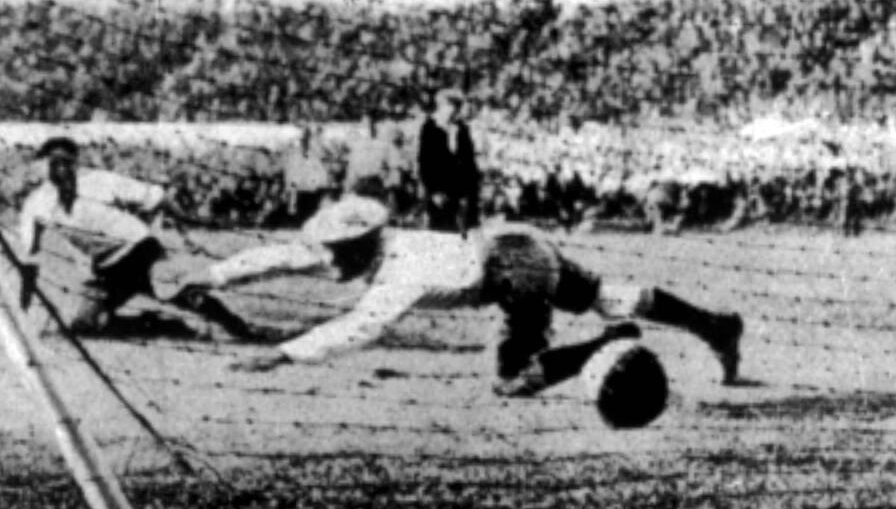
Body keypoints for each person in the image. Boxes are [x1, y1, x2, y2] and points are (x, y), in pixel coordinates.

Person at [173, 195, 744, 395]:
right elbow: (282, 256)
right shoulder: (371, 246)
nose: (326, 261)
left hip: (510, 270)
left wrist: (282, 354)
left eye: (335, 251)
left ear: (360, 243)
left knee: (511, 381)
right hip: (516, 241)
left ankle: (608, 343)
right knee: (610, 294)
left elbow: (361, 327)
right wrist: (212, 277)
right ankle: (714, 325)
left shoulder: (401, 270)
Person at [17, 136, 255, 338]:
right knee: (86, 326)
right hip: (108, 269)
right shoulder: (36, 204)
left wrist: (186, 231)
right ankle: (163, 325)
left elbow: (157, 196)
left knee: (176, 292)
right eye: (54, 162)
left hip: (140, 252)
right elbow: (29, 254)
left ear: (76, 163)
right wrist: (25, 296)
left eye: (66, 162)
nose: (61, 168)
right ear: (42, 166)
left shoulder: (100, 180)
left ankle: (238, 327)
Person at [418, 88, 481, 234]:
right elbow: (425, 162)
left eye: (457, 107)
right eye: (451, 106)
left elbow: (469, 162)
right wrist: (434, 191)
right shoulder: (430, 127)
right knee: (439, 231)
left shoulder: (462, 129)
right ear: (442, 106)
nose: (454, 111)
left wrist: (469, 192)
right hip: (438, 191)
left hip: (459, 191)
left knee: (461, 233)